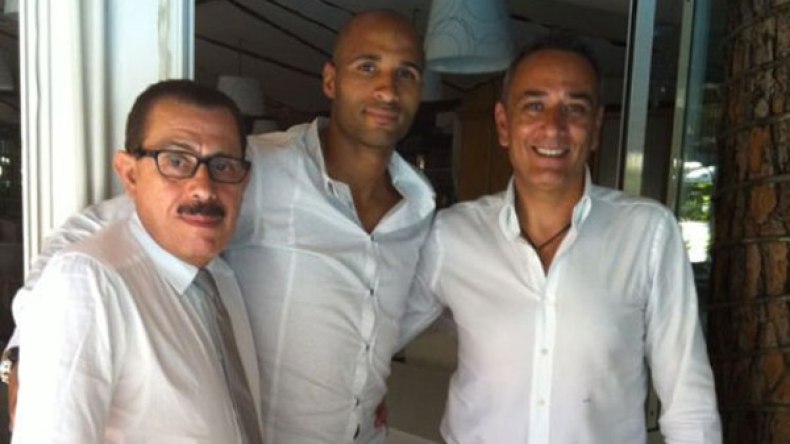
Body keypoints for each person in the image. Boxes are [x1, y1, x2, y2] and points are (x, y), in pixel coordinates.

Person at [5, 10, 434, 444]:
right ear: (331, 80)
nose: (387, 89)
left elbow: (390, 316)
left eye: (407, 73)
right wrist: (30, 349)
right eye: (367, 67)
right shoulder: (256, 168)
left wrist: (363, 385)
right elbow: (88, 235)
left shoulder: (418, 209)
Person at [400, 34, 722, 443]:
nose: (553, 127)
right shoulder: (452, 235)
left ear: (595, 128)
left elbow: (688, 401)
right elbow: (373, 337)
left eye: (574, 109)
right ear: (504, 124)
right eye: (534, 106)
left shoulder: (647, 235)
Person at [11, 80, 262, 442]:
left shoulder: (220, 279)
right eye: (176, 161)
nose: (204, 188)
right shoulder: (90, 283)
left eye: (222, 166)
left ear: (244, 180)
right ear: (130, 174)